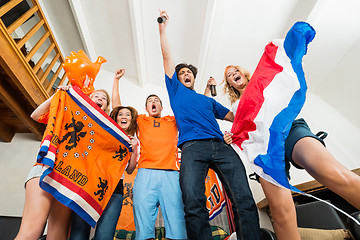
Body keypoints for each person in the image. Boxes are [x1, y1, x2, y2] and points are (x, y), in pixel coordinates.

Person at [217, 65, 360, 240]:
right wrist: (231, 136)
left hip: (289, 129)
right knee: (280, 214)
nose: (234, 75)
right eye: (230, 76)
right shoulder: (236, 107)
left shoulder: (265, 83)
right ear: (230, 84)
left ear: (244, 74)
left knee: (333, 173)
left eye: (235, 71)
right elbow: (242, 131)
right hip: (264, 150)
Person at [158, 10, 260, 240]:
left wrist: (237, 128)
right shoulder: (175, 91)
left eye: (188, 73)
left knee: (243, 198)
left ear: (193, 78)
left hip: (221, 147)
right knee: (193, 203)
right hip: (192, 148)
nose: (185, 74)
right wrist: (162, 29)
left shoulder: (208, 100)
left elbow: (237, 118)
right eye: (181, 72)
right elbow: (167, 58)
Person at [15, 85, 110, 240]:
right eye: (96, 96)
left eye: (104, 98)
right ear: (87, 98)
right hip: (47, 169)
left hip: (70, 181)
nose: (99, 99)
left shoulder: (102, 132)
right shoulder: (68, 111)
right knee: (31, 232)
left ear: (106, 107)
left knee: (58, 236)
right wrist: (59, 94)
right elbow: (35, 115)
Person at [112, 68, 187, 240]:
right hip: (145, 174)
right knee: (144, 225)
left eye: (156, 100)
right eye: (150, 101)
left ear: (161, 106)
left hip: (171, 175)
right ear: (146, 107)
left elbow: (190, 109)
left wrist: (205, 90)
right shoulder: (141, 120)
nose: (153, 102)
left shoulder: (172, 120)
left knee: (177, 225)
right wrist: (116, 80)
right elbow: (118, 109)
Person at [69, 69, 139, 240]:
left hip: (115, 188)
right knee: (78, 234)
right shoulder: (106, 127)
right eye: (120, 114)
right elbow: (116, 104)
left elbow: (129, 171)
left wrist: (135, 148)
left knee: (105, 236)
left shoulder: (130, 140)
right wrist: (116, 80)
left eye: (127, 115)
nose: (123, 116)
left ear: (131, 120)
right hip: (88, 182)